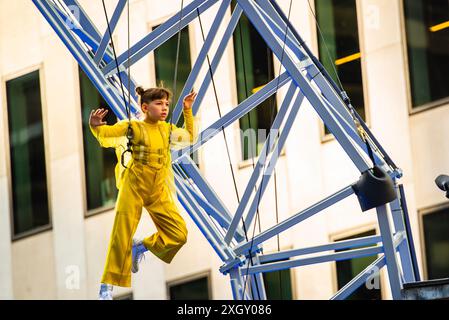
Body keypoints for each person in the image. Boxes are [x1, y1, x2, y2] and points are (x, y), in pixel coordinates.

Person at [89, 86, 198, 300]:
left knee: (179, 234)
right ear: (145, 107)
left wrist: (187, 110)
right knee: (121, 233)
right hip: (135, 185)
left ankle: (140, 247)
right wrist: (95, 126)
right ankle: (106, 288)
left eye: (166, 104)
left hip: (157, 189)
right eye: (159, 104)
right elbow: (107, 136)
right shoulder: (133, 127)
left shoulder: (167, 130)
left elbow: (189, 138)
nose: (165, 108)